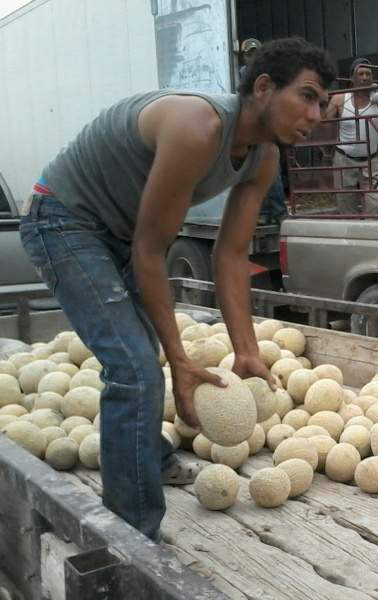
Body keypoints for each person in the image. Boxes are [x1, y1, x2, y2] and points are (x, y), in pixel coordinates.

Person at [19, 37, 335, 541]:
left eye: (323, 103)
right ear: (262, 87)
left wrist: (247, 351)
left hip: (118, 232)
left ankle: (151, 458)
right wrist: (181, 362)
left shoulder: (264, 157)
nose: (317, 113)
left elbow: (230, 256)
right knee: (137, 368)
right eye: (308, 95)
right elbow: (151, 251)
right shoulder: (200, 126)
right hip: (64, 218)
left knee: (139, 357)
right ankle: (132, 539)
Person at [326, 58, 378, 214]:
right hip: (344, 159)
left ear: (372, 77)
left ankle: (373, 236)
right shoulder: (340, 98)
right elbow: (324, 121)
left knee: (375, 207)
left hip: (371, 159)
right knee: (346, 207)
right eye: (360, 74)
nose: (364, 77)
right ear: (352, 78)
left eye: (368, 74)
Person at [240, 38, 288, 224]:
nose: (253, 58)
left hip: (268, 128)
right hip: (255, 128)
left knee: (272, 170)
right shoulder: (245, 76)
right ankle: (270, 212)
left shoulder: (270, 76)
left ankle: (275, 211)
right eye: (249, 54)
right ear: (244, 57)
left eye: (256, 53)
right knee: (260, 171)